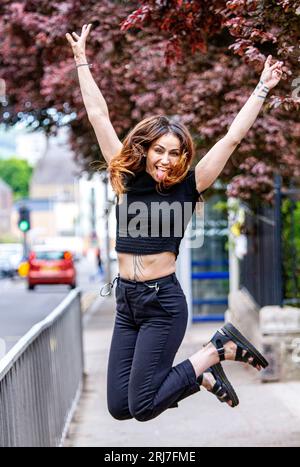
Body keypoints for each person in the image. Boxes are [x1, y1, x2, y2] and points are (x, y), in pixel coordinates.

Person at [66, 24, 283, 421]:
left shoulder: (189, 185)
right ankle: (201, 375)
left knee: (144, 407)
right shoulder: (126, 178)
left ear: (183, 157)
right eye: (160, 151)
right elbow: (98, 116)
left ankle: (216, 350)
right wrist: (81, 59)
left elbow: (231, 139)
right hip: (126, 303)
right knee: (119, 407)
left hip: (162, 304)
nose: (166, 159)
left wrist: (262, 88)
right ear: (146, 150)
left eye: (175, 153)